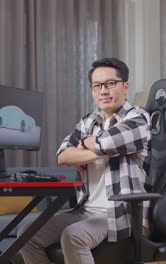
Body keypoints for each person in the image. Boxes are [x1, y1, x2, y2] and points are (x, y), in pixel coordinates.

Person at [19, 57, 151, 264]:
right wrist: (102, 148)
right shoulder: (89, 121)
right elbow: (62, 156)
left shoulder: (138, 117)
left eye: (110, 84)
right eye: (97, 86)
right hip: (86, 210)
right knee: (26, 235)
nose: (103, 91)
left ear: (125, 86)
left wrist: (85, 143)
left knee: (73, 236)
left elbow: (107, 142)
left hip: (123, 213)